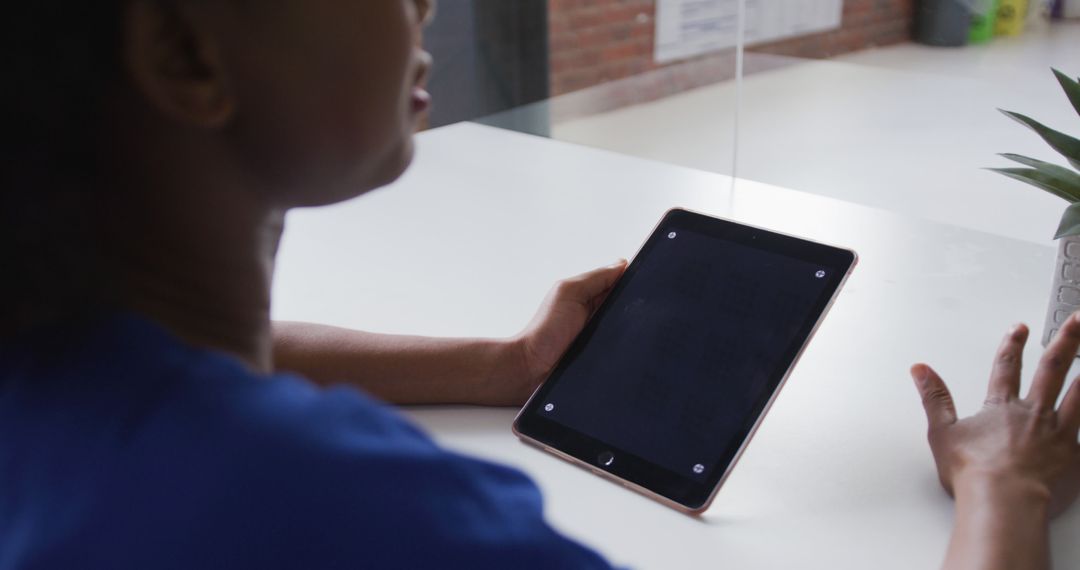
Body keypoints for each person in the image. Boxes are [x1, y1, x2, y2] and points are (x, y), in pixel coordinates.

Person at [0, 1, 1076, 568]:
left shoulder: (46, 346)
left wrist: (507, 366)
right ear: (186, 53)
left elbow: (174, 364)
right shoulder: (360, 513)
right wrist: (1006, 490)